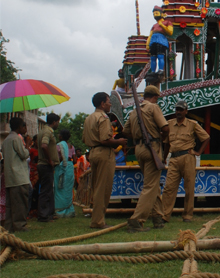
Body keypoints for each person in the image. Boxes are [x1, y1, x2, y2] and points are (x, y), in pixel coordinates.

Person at [122, 85, 170, 232]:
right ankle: (137, 219)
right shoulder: (153, 108)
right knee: (150, 186)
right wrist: (157, 138)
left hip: (139, 149)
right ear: (155, 97)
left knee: (152, 183)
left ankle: (157, 217)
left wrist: (140, 136)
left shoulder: (134, 111)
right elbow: (165, 128)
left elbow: (125, 132)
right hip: (152, 148)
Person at [161, 101, 210, 223]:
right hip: (173, 158)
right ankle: (164, 215)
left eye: (181, 110)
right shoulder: (169, 124)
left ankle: (187, 215)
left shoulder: (192, 124)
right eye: (177, 109)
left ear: (186, 111)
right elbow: (166, 144)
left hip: (188, 157)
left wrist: (198, 152)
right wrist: (163, 158)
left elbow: (206, 137)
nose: (178, 112)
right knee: (168, 188)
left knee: (189, 187)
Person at [82, 92, 125, 229]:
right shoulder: (103, 118)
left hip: (93, 152)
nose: (110, 104)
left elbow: (84, 139)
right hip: (103, 153)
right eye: (108, 101)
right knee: (103, 188)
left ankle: (96, 219)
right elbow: (105, 139)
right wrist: (119, 141)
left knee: (96, 187)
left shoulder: (89, 118)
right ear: (102, 103)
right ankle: (98, 221)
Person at [3, 116, 30, 232]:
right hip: (19, 176)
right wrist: (27, 145)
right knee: (20, 203)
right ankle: (20, 226)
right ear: (20, 127)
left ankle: (9, 226)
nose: (26, 129)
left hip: (9, 177)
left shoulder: (6, 140)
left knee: (10, 205)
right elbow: (24, 155)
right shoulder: (16, 139)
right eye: (24, 126)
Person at [37, 113, 60, 222]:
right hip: (45, 165)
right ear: (54, 122)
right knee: (46, 190)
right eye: (58, 122)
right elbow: (44, 145)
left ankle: (49, 214)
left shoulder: (42, 131)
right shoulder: (47, 132)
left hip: (44, 165)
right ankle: (43, 215)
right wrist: (50, 160)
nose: (58, 124)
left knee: (48, 189)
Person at [54, 129, 76, 217]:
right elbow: (74, 160)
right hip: (70, 168)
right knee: (68, 190)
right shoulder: (72, 146)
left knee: (60, 189)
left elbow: (57, 158)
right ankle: (69, 210)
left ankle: (60, 211)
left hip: (62, 168)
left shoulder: (58, 146)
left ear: (60, 136)